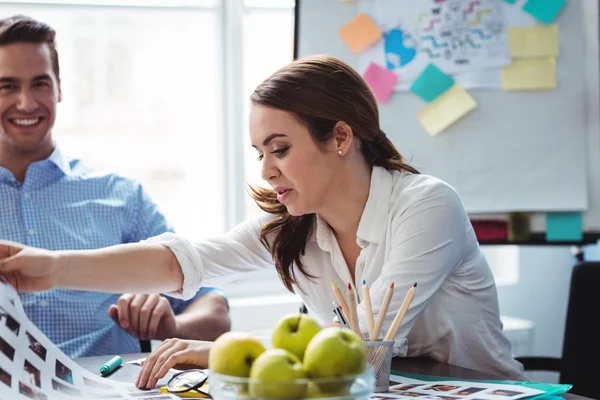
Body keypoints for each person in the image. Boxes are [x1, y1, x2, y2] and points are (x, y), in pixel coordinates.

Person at [0, 55, 526, 386]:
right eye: (260, 153)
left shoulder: (427, 206)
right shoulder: (295, 226)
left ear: (340, 138)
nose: (268, 170)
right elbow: (189, 259)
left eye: (281, 148)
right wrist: (52, 267)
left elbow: (363, 345)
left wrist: (217, 351)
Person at [0, 15, 230, 357]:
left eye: (40, 83)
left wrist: (172, 328)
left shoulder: (122, 197)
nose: (26, 103)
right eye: (7, 86)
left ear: (60, 88)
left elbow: (214, 308)